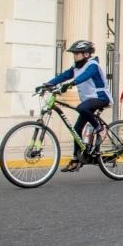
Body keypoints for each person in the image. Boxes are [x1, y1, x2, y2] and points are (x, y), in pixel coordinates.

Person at [38, 40, 111, 172]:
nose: (74, 56)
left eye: (77, 53)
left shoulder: (92, 65)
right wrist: (47, 84)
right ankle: (76, 159)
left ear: (87, 54)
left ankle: (100, 129)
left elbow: (85, 76)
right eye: (74, 53)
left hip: (101, 98)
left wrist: (71, 84)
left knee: (81, 108)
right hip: (88, 102)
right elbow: (64, 75)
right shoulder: (76, 68)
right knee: (76, 129)